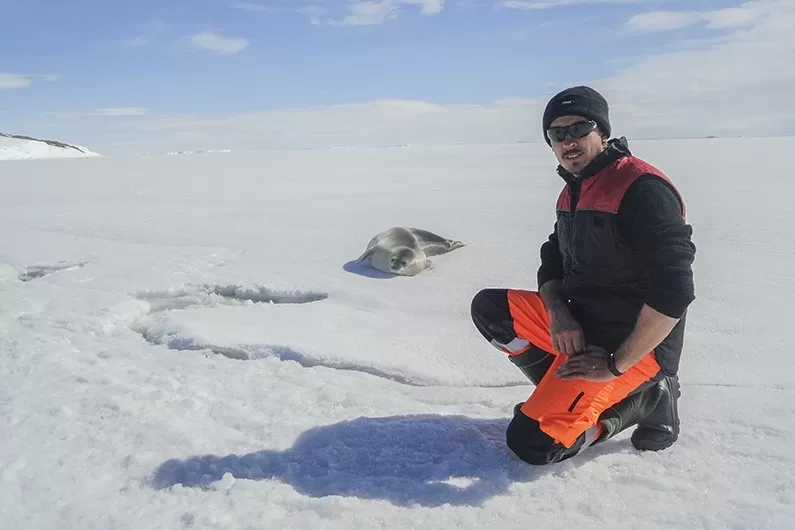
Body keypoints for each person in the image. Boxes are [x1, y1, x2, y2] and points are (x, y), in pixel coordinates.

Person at [470, 86, 696, 465]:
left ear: (602, 131)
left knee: (534, 444)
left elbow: (675, 290)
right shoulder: (576, 189)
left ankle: (644, 399)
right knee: (491, 309)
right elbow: (552, 258)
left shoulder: (642, 189)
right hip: (583, 324)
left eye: (579, 128)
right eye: (557, 134)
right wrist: (559, 313)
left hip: (633, 347)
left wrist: (613, 365)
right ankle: (565, 393)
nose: (568, 141)